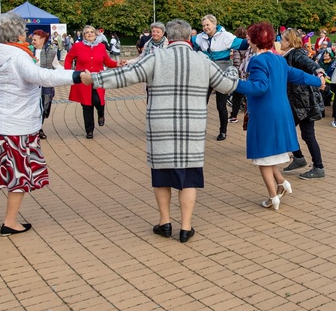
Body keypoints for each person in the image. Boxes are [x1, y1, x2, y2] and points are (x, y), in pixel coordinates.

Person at [90, 19, 239, 243]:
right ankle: (186, 228)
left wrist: (93, 78)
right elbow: (227, 86)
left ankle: (165, 222)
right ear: (190, 38)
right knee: (189, 179)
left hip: (162, 127)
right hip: (192, 128)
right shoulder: (202, 60)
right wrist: (235, 72)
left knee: (161, 177)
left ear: (168, 37)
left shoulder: (156, 57)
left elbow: (125, 76)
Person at [0, 12, 90, 235]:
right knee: (18, 174)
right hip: (17, 126)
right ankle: (10, 222)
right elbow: (41, 76)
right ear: (16, 33)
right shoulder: (18, 56)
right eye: (23, 30)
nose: (26, 34)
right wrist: (75, 75)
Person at [233, 22, 325, 211]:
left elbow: (259, 87)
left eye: (250, 37)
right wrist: (317, 80)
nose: (248, 40)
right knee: (270, 156)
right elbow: (297, 74)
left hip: (265, 113)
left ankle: (273, 196)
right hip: (281, 111)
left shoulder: (258, 61)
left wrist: (233, 84)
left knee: (263, 158)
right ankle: (282, 184)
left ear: (256, 40)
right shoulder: (279, 59)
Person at [279, 29, 328, 179]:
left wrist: (319, 73)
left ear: (289, 42)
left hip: (304, 103)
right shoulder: (288, 55)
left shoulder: (296, 54)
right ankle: (299, 158)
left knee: (307, 135)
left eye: (282, 39)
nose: (280, 42)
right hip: (297, 101)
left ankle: (318, 167)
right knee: (287, 130)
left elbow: (310, 63)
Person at [194, 14, 248, 141]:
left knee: (221, 105)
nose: (205, 27)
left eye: (207, 25)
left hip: (222, 73)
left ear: (214, 24)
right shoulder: (200, 37)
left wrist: (254, 39)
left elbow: (243, 44)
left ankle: (223, 131)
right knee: (200, 104)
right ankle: (199, 130)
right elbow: (188, 42)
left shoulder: (226, 36)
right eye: (203, 25)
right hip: (206, 73)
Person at [64, 25, 118, 139]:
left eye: (92, 32)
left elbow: (107, 62)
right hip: (83, 79)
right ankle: (89, 130)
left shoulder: (101, 47)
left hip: (98, 78)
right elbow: (68, 59)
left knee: (98, 100)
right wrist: (69, 73)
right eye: (87, 32)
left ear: (95, 34)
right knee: (86, 105)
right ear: (83, 35)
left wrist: (118, 64)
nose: (89, 34)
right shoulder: (77, 46)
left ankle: (101, 113)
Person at [32, 30, 61, 140]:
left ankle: (39, 127)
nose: (32, 42)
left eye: (35, 39)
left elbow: (56, 65)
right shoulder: (28, 51)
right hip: (32, 84)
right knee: (33, 106)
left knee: (44, 106)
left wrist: (69, 74)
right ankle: (36, 129)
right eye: (32, 39)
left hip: (45, 83)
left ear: (42, 39)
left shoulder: (51, 51)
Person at [228, 26, 249, 124]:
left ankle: (234, 115)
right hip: (248, 73)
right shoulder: (249, 44)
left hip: (240, 74)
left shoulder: (237, 45)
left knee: (237, 96)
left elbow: (236, 61)